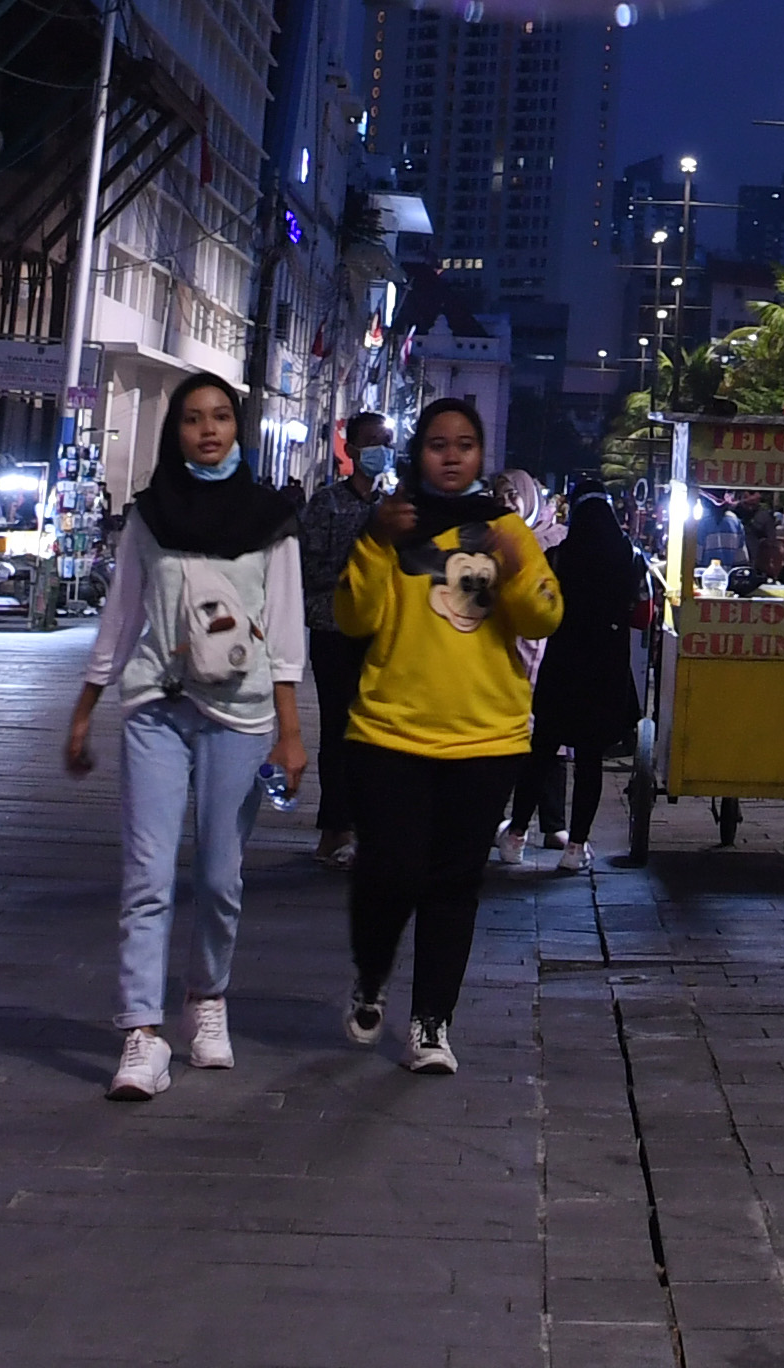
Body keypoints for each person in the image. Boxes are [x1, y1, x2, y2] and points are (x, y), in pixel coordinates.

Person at [66, 372, 309, 1100]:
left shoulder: (270, 518)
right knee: (145, 876)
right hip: (156, 704)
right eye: (193, 419)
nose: (208, 430)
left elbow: (288, 630)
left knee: (217, 876)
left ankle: (207, 999)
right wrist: (84, 707)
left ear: (239, 428)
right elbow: (121, 615)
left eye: (221, 418)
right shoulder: (150, 515)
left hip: (241, 710)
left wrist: (291, 735)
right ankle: (141, 1034)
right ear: (175, 432)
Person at [332, 398, 556, 1075]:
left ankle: (431, 1022)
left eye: (464, 443)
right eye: (437, 443)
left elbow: (542, 618)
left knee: (454, 886)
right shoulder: (392, 523)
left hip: (485, 738)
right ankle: (371, 976)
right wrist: (375, 540)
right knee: (388, 872)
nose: (451, 454)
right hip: (390, 731)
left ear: (482, 455)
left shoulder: (505, 528)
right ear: (416, 453)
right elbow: (352, 616)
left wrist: (515, 558)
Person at [523, 491, 650, 873]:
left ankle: (515, 836)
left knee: (542, 751)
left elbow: (538, 607)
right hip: (605, 670)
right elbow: (642, 616)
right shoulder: (630, 559)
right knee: (590, 760)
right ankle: (575, 846)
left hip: (562, 666)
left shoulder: (557, 557)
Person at [295, 416, 394, 872]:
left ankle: (365, 824)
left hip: (379, 634)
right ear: (351, 450)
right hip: (333, 629)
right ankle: (334, 826)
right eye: (373, 443)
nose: (381, 451)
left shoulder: (394, 507)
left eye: (387, 444)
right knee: (337, 728)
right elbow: (307, 569)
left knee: (372, 731)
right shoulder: (325, 505)